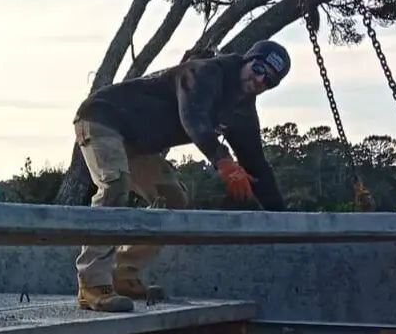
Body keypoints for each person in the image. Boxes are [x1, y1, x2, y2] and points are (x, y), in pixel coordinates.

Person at [71, 41, 291, 313]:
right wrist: (222, 160)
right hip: (103, 118)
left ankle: (124, 272)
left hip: (137, 144)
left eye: (269, 80)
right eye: (258, 69)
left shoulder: (241, 111)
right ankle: (92, 284)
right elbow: (193, 117)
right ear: (247, 60)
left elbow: (257, 166)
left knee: (173, 199)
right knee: (115, 184)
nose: (259, 79)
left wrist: (284, 220)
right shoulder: (205, 72)